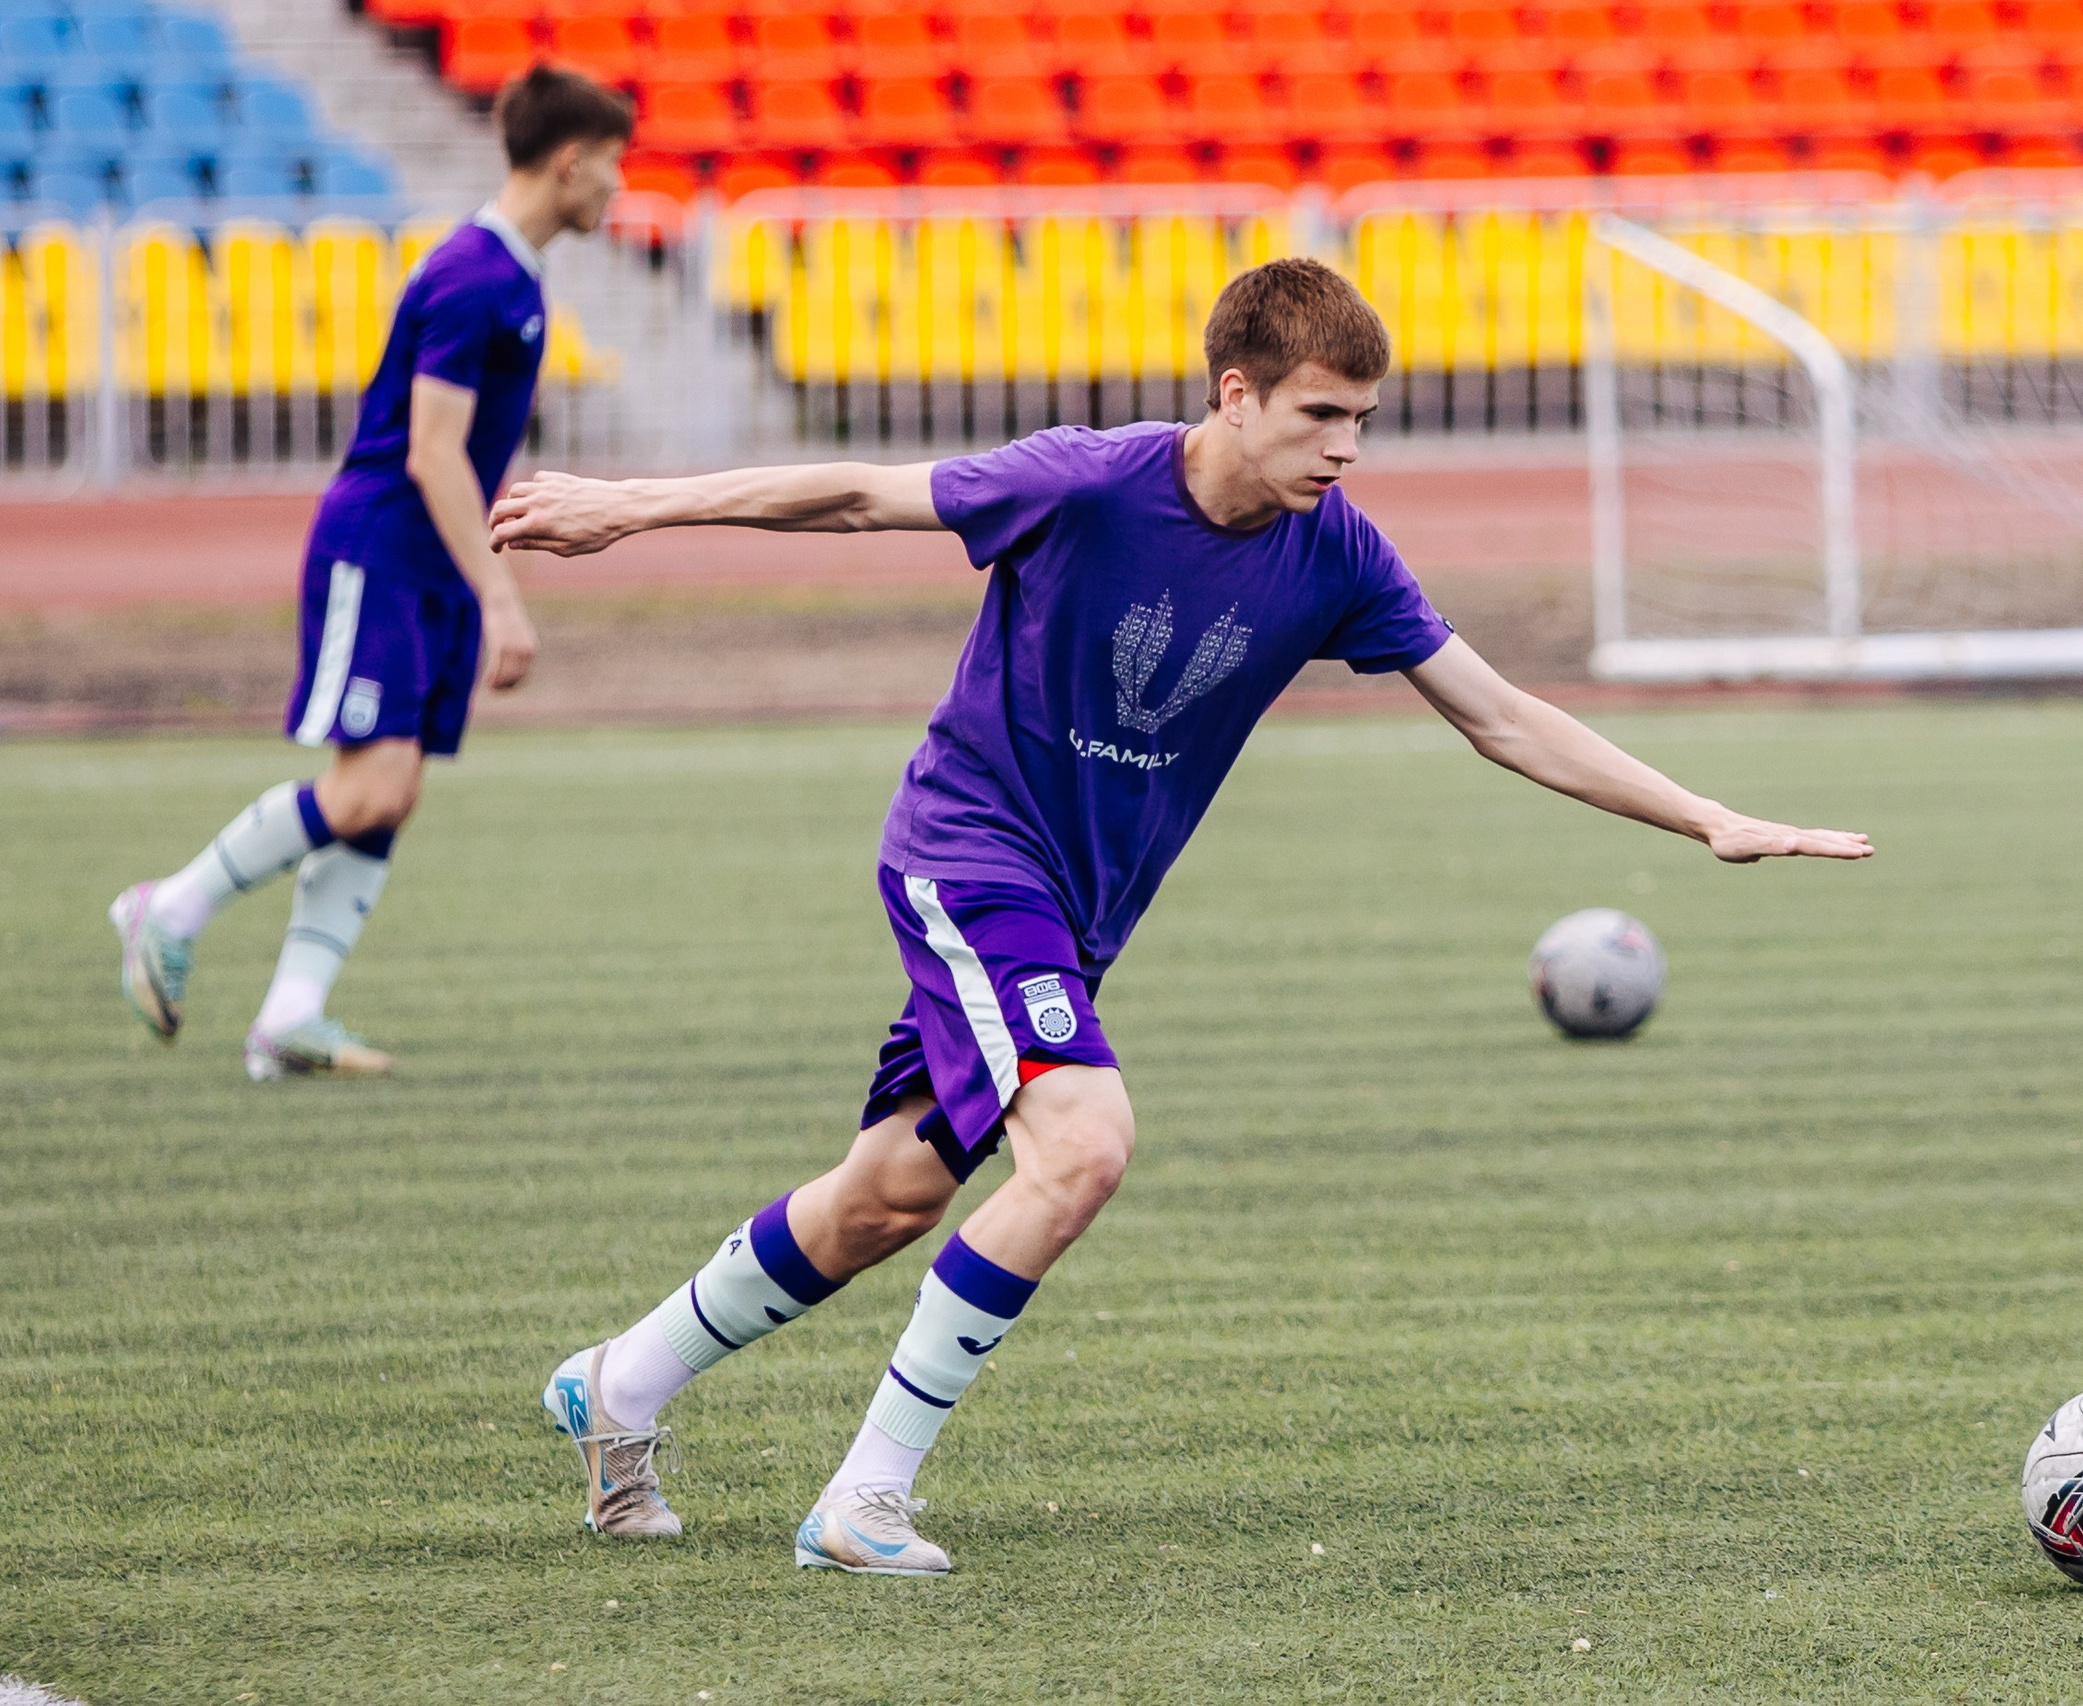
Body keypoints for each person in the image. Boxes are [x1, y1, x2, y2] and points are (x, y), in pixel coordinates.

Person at [491, 258, 1874, 1571]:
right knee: (1084, 1144)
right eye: (1320, 415)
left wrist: (1707, 815)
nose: (1344, 450)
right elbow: (859, 492)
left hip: (1076, 916)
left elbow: (1498, 715)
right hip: (972, 857)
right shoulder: (1086, 482)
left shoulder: (1337, 553)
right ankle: (865, 1496)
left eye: (1364, 422)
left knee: (893, 1193)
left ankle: (622, 1378)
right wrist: (634, 506)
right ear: (1235, 392)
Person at [108, 68, 630, 1080]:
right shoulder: (474, 276)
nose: (617, 186)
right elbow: (431, 452)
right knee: (364, 788)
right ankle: (168, 905)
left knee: (391, 794)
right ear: (570, 160)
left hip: (431, 560)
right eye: (613, 163)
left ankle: (289, 1014)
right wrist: (501, 591)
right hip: (385, 548)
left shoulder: (514, 274)